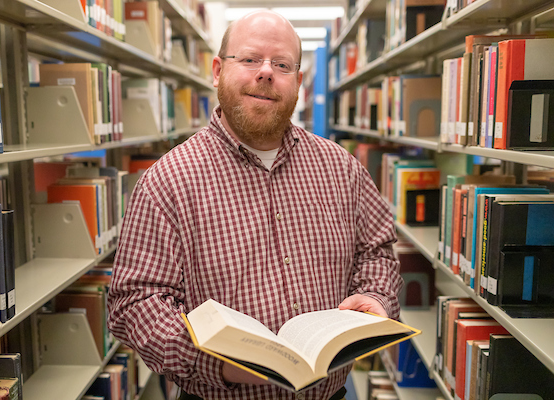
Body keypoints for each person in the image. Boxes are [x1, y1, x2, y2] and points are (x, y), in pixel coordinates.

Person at [107, 10, 403, 400]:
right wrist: (216, 362)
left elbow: (377, 252)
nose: (266, 73)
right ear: (217, 71)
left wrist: (377, 297)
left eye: (281, 65)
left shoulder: (341, 168)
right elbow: (135, 303)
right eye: (249, 60)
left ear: (298, 82)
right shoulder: (167, 182)